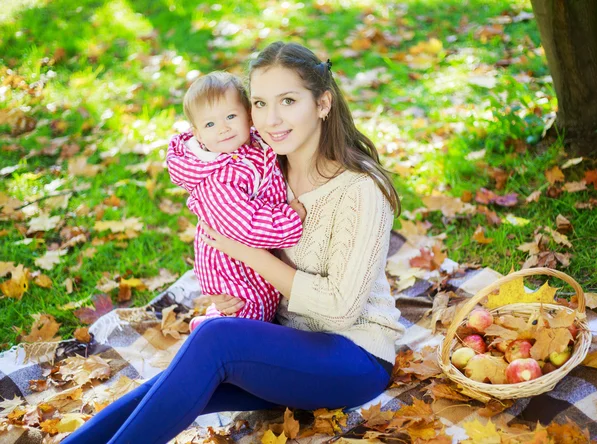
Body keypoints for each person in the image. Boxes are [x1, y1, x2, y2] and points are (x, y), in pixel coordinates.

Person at [62, 41, 404, 444]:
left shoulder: (359, 191)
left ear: (323, 104)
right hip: (288, 343)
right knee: (173, 384)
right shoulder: (262, 165)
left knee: (214, 340)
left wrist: (244, 252)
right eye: (259, 103)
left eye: (288, 101)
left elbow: (340, 310)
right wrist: (234, 292)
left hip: (354, 359)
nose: (271, 119)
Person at [165, 71, 304, 329]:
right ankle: (210, 331)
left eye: (230, 116)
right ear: (197, 134)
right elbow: (246, 226)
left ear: (248, 116)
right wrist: (290, 219)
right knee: (249, 315)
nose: (224, 128)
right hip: (231, 269)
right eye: (210, 124)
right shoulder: (217, 178)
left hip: (251, 260)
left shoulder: (250, 147)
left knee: (268, 305)